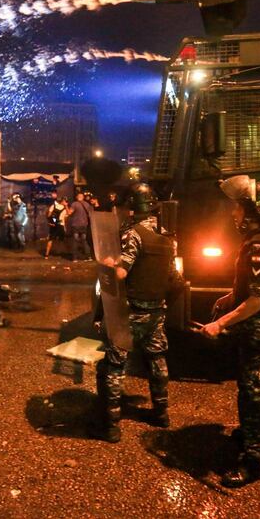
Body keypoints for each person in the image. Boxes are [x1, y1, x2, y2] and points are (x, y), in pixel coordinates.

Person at [197, 175, 260, 488]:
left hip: (259, 331)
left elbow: (256, 301)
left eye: (237, 208)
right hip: (255, 331)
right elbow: (250, 291)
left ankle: (253, 460)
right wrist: (228, 298)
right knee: (248, 390)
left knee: (256, 394)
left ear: (252, 210)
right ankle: (248, 434)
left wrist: (219, 323)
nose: (233, 214)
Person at [93, 182, 180, 443]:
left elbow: (121, 273)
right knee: (157, 361)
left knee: (114, 365)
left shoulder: (133, 235)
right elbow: (174, 278)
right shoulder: (168, 238)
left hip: (130, 312)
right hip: (156, 312)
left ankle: (111, 425)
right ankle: (161, 414)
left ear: (133, 208)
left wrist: (107, 265)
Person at [68, 191, 93, 261]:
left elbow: (69, 213)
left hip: (76, 225)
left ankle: (75, 258)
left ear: (77, 197)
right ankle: (88, 257)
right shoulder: (87, 204)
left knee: (75, 241)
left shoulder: (74, 204)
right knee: (84, 240)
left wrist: (65, 206)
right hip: (84, 225)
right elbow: (90, 214)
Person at [44, 191, 67, 259]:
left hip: (53, 225)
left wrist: (50, 222)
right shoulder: (65, 209)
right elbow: (65, 218)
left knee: (50, 239)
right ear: (63, 201)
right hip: (61, 225)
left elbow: (49, 215)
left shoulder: (53, 206)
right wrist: (65, 227)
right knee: (61, 239)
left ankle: (46, 254)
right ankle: (58, 252)